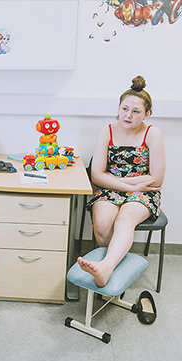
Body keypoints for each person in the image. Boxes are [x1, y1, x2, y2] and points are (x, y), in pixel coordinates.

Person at [78, 76, 165, 287]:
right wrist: (130, 184)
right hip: (113, 189)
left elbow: (156, 178)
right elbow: (96, 176)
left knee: (125, 219)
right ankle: (113, 268)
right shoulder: (107, 131)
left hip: (144, 193)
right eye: (125, 108)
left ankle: (106, 268)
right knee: (102, 225)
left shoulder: (153, 134)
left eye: (136, 111)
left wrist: (117, 179)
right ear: (118, 108)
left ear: (147, 114)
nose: (128, 115)